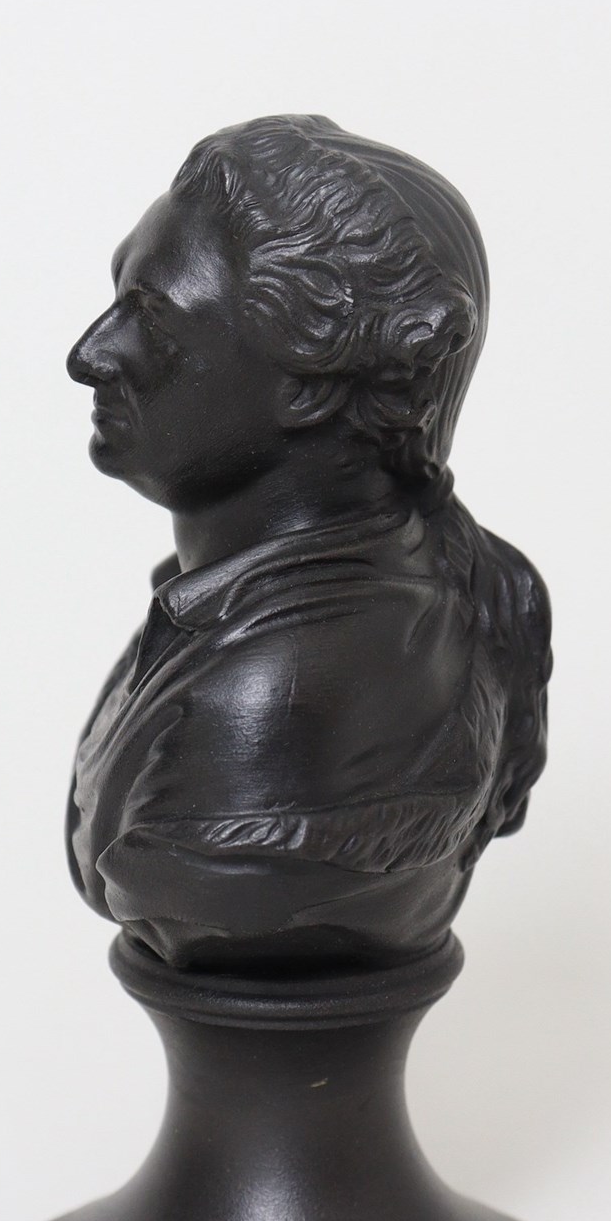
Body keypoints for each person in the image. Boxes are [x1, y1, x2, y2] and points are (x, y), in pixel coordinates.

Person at [64, 116, 551, 973]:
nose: (91, 353)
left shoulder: (271, 705)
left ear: (305, 385)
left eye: (154, 319)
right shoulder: (243, 617)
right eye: (116, 298)